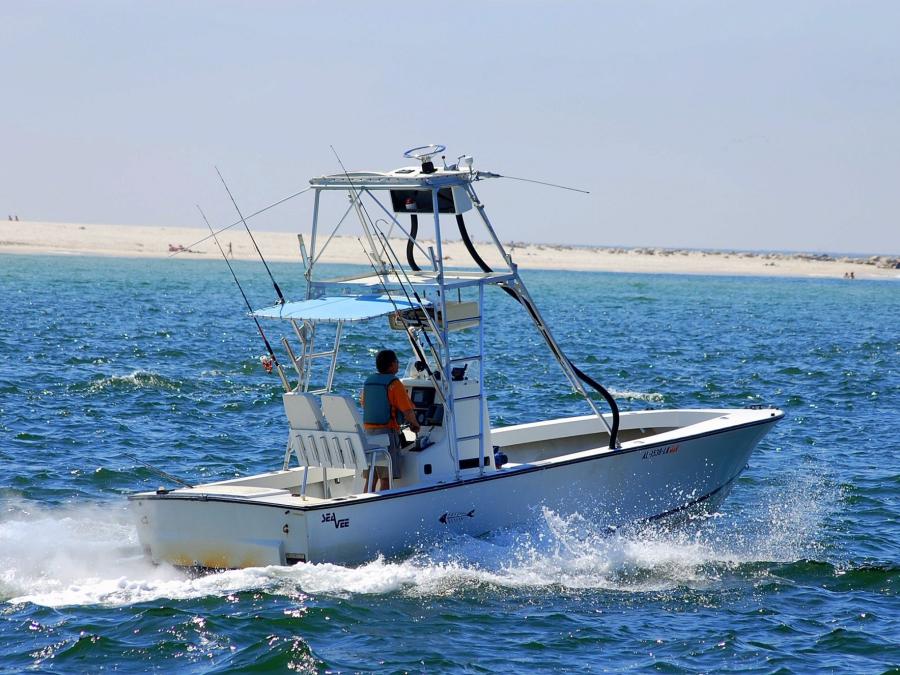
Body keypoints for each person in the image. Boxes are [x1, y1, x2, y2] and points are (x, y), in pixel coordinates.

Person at [360, 349, 421, 490]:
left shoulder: (368, 382)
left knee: (371, 477)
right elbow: (407, 411)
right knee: (386, 477)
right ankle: (382, 505)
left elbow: (364, 403)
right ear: (392, 364)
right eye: (397, 362)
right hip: (386, 434)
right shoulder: (394, 384)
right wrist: (415, 425)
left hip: (368, 434)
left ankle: (366, 503)